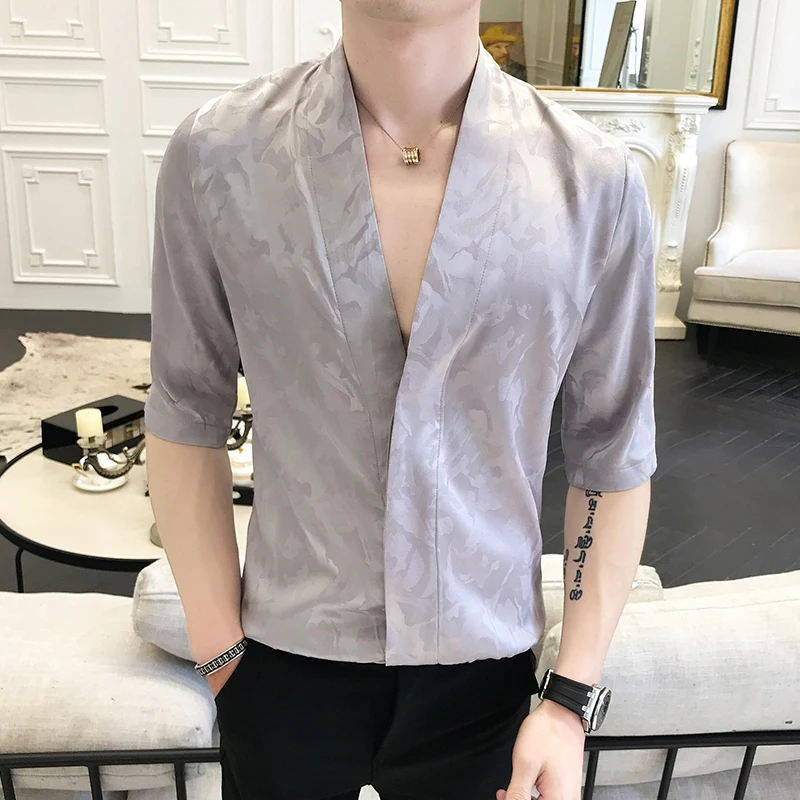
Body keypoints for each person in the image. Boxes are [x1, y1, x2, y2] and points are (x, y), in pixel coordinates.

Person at [143, 1, 657, 799]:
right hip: (281, 664)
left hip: (487, 677)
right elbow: (184, 410)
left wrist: (568, 698)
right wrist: (222, 658)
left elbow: (612, 449)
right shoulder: (219, 155)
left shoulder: (595, 182)